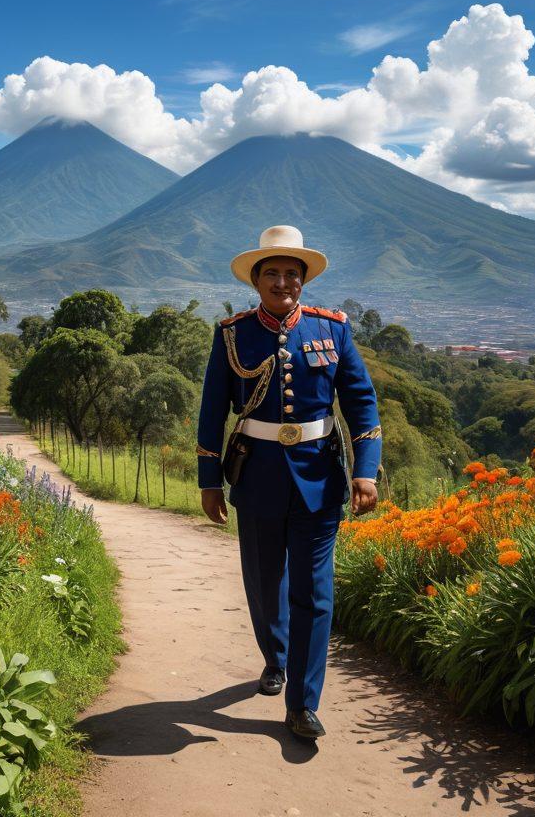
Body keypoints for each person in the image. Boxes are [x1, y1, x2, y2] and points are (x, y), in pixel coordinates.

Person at [196, 224, 382, 741]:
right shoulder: (232, 334)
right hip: (256, 477)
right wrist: (209, 481)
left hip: (320, 478)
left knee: (314, 592)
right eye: (272, 274)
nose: (283, 283)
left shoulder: (333, 329)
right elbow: (212, 412)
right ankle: (274, 658)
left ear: (304, 281)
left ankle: (303, 703)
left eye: (292, 274)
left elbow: (362, 404)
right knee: (263, 583)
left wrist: (365, 469)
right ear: (256, 281)